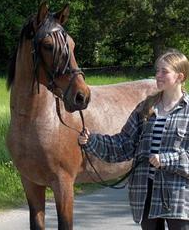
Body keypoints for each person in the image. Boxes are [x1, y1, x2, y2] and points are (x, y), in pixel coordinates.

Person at [78, 49, 189, 230]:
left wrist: (166, 159)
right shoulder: (146, 108)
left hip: (178, 196)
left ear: (180, 77)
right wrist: (92, 141)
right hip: (145, 192)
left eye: (164, 71)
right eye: (157, 70)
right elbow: (124, 144)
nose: (158, 75)